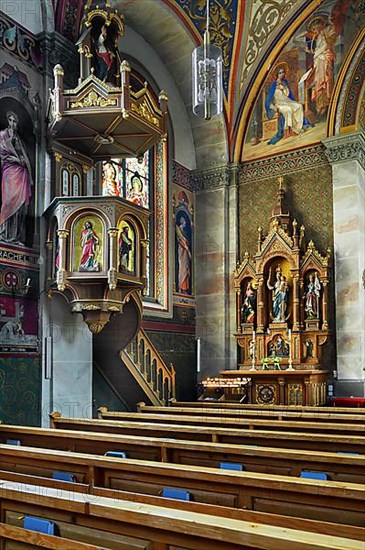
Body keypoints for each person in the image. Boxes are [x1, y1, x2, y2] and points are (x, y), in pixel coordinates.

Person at [0, 111, 33, 244]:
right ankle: (4, 234)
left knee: (21, 207)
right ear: (7, 121)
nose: (12, 124)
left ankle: (17, 236)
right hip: (9, 172)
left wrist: (22, 162)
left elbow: (24, 156)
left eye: (15, 121)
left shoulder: (19, 138)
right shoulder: (2, 135)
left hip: (21, 173)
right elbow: (2, 153)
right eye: (10, 120)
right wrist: (14, 158)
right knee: (8, 202)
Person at [265, 67, 313, 145]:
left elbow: (287, 95)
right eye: (280, 73)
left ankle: (298, 127)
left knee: (299, 106)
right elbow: (269, 99)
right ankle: (289, 131)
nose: (281, 74)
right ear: (277, 74)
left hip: (287, 101)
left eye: (283, 72)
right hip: (278, 104)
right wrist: (274, 107)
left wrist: (284, 89)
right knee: (288, 109)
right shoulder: (273, 85)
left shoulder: (285, 83)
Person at [176, 216, 191, 294]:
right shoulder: (180, 236)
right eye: (184, 222)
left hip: (185, 254)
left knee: (186, 269)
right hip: (182, 253)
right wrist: (188, 250)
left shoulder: (184, 234)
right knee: (183, 270)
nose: (185, 224)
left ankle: (185, 288)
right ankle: (182, 287)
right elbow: (182, 242)